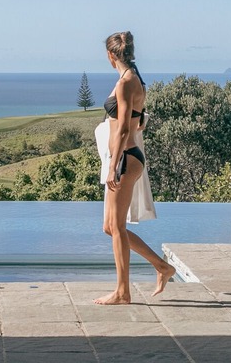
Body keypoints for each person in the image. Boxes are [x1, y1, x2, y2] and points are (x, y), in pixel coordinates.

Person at [93, 31, 177, 305]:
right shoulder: (134, 78)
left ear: (110, 55)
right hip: (129, 156)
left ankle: (122, 292)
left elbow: (124, 129)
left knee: (116, 227)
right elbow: (138, 121)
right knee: (110, 226)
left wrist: (112, 166)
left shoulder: (126, 83)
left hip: (125, 158)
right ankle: (162, 267)